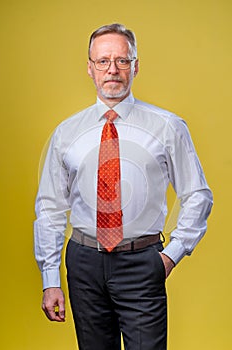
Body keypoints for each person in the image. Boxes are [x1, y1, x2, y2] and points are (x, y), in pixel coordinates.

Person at [34, 23, 213, 350]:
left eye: (122, 60)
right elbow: (49, 208)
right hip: (83, 263)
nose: (112, 69)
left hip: (142, 262)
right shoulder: (67, 133)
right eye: (102, 61)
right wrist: (50, 280)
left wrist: (170, 256)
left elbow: (197, 195)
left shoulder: (167, 126)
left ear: (136, 65)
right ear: (89, 68)